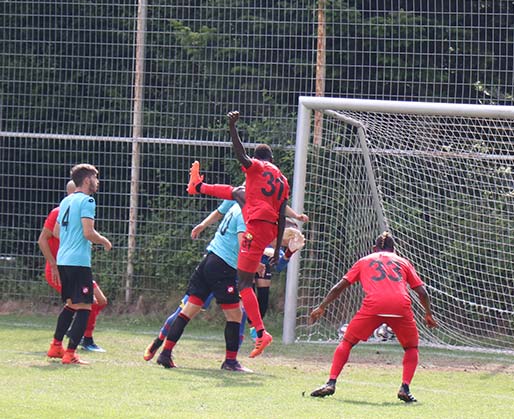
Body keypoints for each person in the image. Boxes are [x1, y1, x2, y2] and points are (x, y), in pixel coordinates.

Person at [186, 110, 307, 359]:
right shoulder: (282, 181)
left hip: (256, 228)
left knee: (244, 284)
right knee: (238, 195)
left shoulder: (257, 168)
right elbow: (281, 213)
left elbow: (240, 154)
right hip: (271, 229)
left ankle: (260, 333)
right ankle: (283, 253)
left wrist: (232, 127)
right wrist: (277, 240)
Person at [308, 232, 438, 403]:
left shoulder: (364, 260)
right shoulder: (403, 262)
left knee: (347, 342)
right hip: (400, 306)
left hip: (374, 305)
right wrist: (428, 313)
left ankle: (331, 382)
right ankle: (405, 388)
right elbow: (422, 292)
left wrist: (322, 306)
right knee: (411, 348)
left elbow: (340, 286)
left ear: (374, 248)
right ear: (394, 249)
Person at [143, 199, 251, 361]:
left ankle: (165, 354)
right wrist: (203, 224)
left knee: (195, 310)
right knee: (232, 314)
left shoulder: (244, 201)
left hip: (217, 261)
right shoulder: (241, 203)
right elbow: (237, 235)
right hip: (222, 266)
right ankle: (158, 342)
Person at [44, 164, 112, 365]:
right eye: (95, 178)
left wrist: (71, 238)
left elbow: (56, 232)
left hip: (63, 260)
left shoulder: (66, 201)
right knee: (85, 306)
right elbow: (88, 232)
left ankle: (56, 346)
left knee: (71, 304)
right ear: (86, 180)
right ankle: (70, 353)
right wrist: (104, 241)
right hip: (78, 262)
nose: (97, 182)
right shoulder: (87, 201)